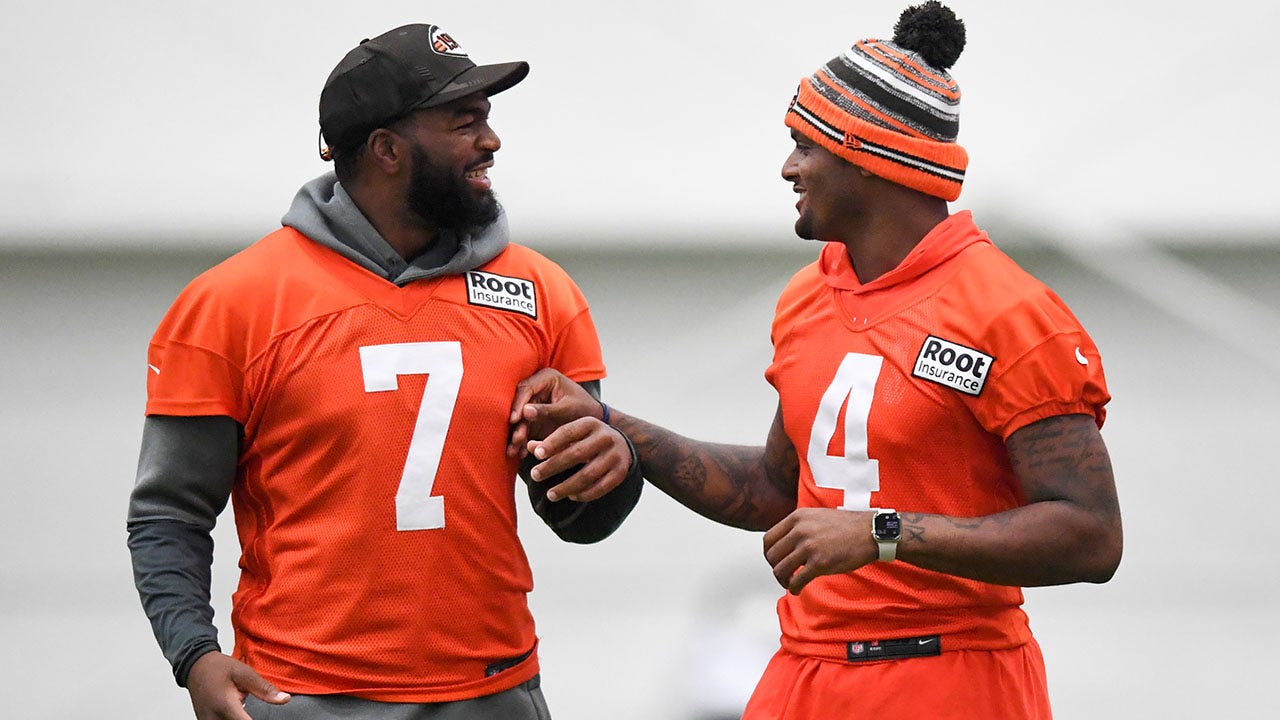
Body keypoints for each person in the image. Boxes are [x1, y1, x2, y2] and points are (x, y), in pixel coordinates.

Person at [508, 3, 1122, 718]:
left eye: (805, 145)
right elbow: (779, 490)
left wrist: (883, 533)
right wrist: (614, 424)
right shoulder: (810, 296)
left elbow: (1091, 535)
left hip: (950, 678)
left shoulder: (1010, 312)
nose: (788, 167)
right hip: (804, 675)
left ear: (869, 156)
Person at [126, 23, 642, 720]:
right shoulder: (233, 302)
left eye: (488, 119)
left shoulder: (541, 290)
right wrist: (193, 654)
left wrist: (613, 466)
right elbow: (169, 510)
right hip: (301, 694)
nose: (491, 141)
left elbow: (582, 520)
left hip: (492, 693)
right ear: (387, 150)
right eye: (465, 122)